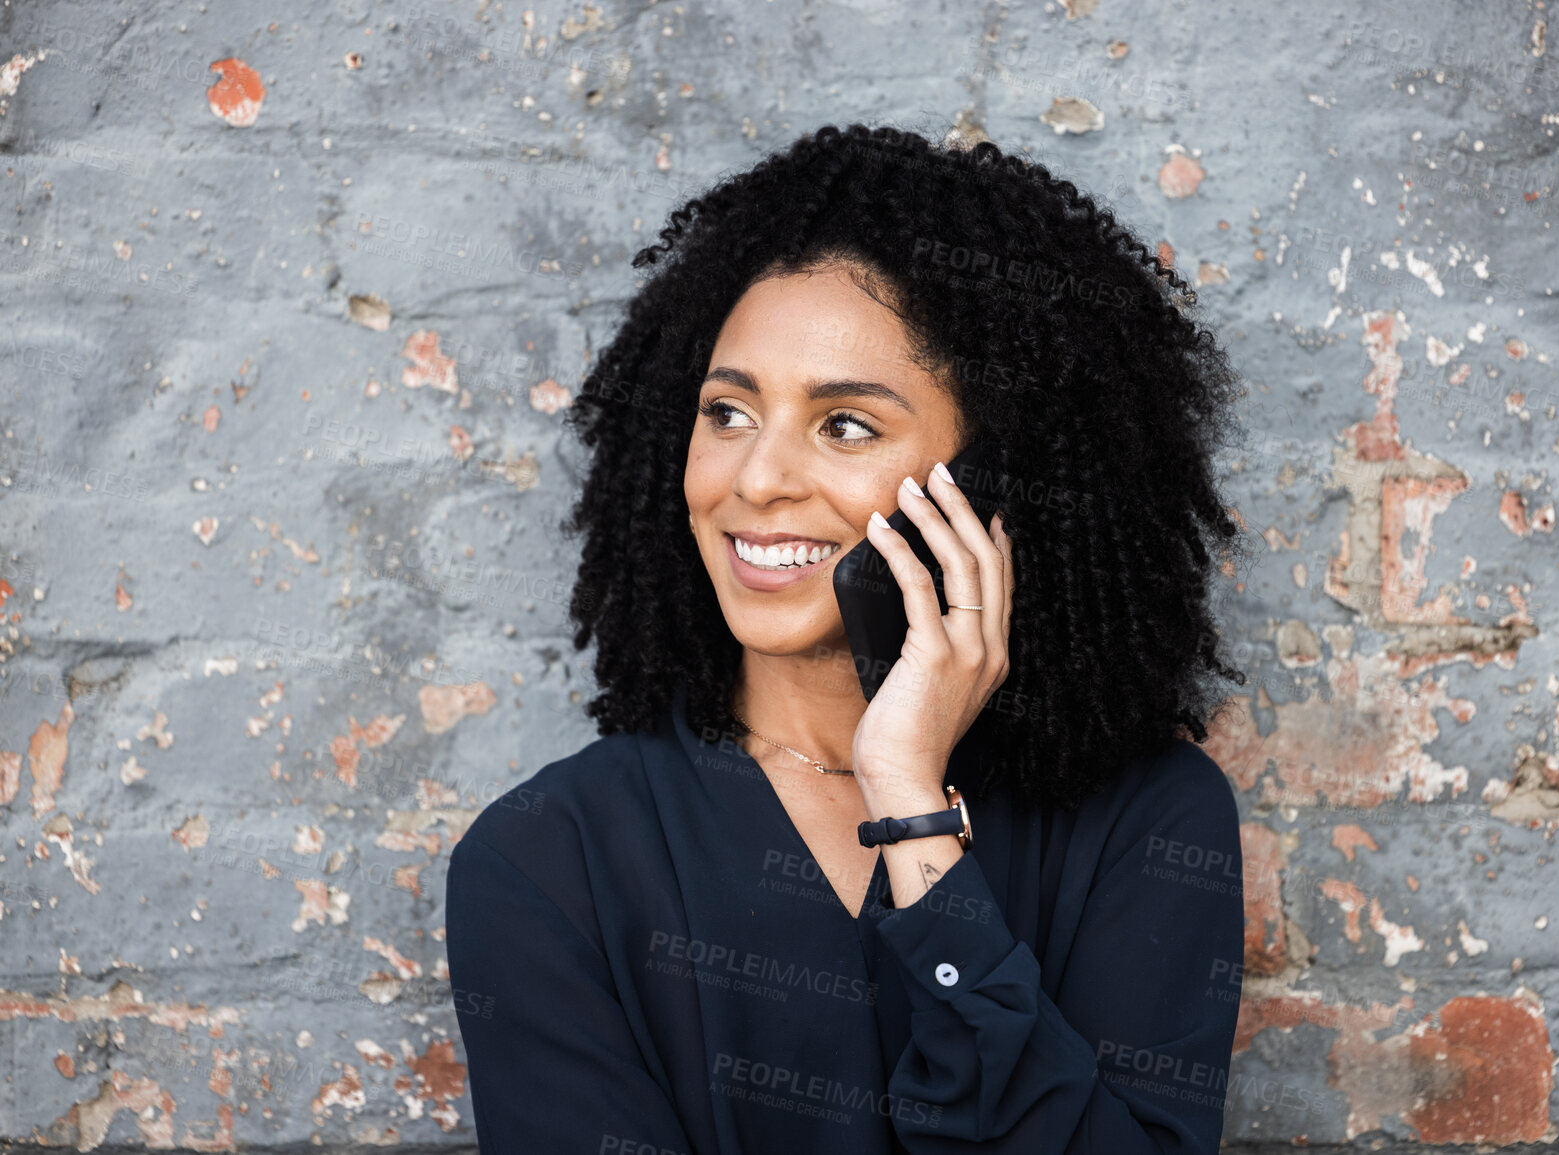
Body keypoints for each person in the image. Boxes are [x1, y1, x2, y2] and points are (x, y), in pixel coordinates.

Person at [446, 122, 1251, 1154]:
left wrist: (913, 808)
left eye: (847, 426)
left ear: (989, 485)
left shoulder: (1150, 824)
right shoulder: (547, 860)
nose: (757, 480)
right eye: (727, 413)